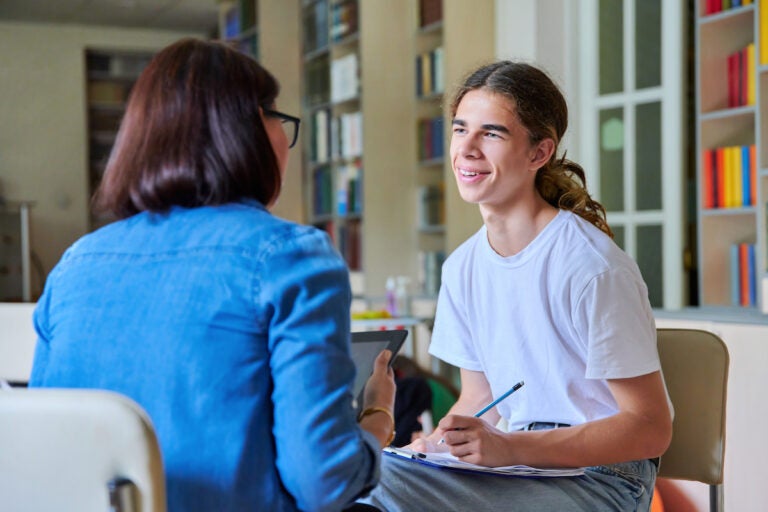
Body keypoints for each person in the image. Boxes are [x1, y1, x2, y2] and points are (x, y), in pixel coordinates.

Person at [29, 38, 395, 512]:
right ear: (248, 132)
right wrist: (377, 421)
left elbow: (42, 444)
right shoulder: (294, 258)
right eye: (277, 119)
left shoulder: (75, 265)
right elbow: (322, 482)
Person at [360, 61, 673, 511]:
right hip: (513, 466)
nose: (466, 149)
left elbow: (650, 427)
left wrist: (513, 448)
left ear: (538, 153)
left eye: (491, 134)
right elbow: (479, 397)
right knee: (365, 476)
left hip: (604, 479)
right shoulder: (463, 267)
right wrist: (434, 444)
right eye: (460, 129)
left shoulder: (591, 266)